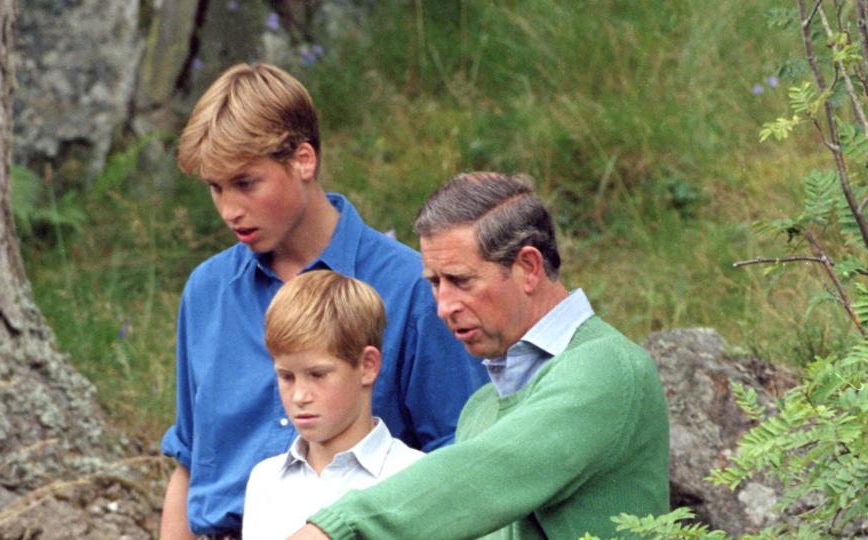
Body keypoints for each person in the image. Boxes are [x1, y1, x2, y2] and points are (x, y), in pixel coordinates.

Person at [159, 64, 487, 539]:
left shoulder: (410, 286)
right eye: (215, 187)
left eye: (246, 183)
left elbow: (458, 460)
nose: (229, 209)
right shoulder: (207, 291)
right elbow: (189, 465)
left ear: (303, 160)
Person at [289, 172, 670, 540]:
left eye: (460, 280)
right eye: (435, 283)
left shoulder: (607, 367)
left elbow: (494, 471)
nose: (443, 306)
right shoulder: (481, 407)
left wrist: (336, 527)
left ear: (528, 267)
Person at [242, 270, 425, 539]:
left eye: (317, 375)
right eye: (286, 377)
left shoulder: (414, 475)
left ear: (367, 366)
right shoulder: (265, 480)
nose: (299, 396)